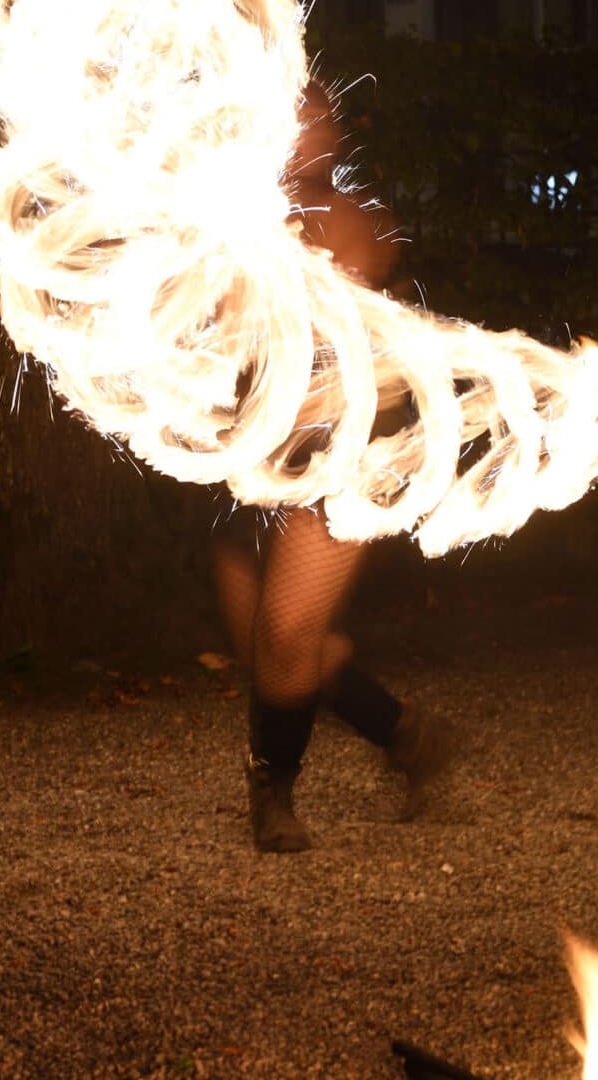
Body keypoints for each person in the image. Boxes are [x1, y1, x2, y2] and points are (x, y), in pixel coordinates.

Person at [213, 81, 450, 853]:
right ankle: (402, 732)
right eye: (296, 118)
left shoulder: (359, 226)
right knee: (275, 651)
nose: (314, 131)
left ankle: (273, 796)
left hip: (331, 462)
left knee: (287, 639)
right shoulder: (220, 222)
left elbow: (390, 346)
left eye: (322, 118)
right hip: (234, 458)